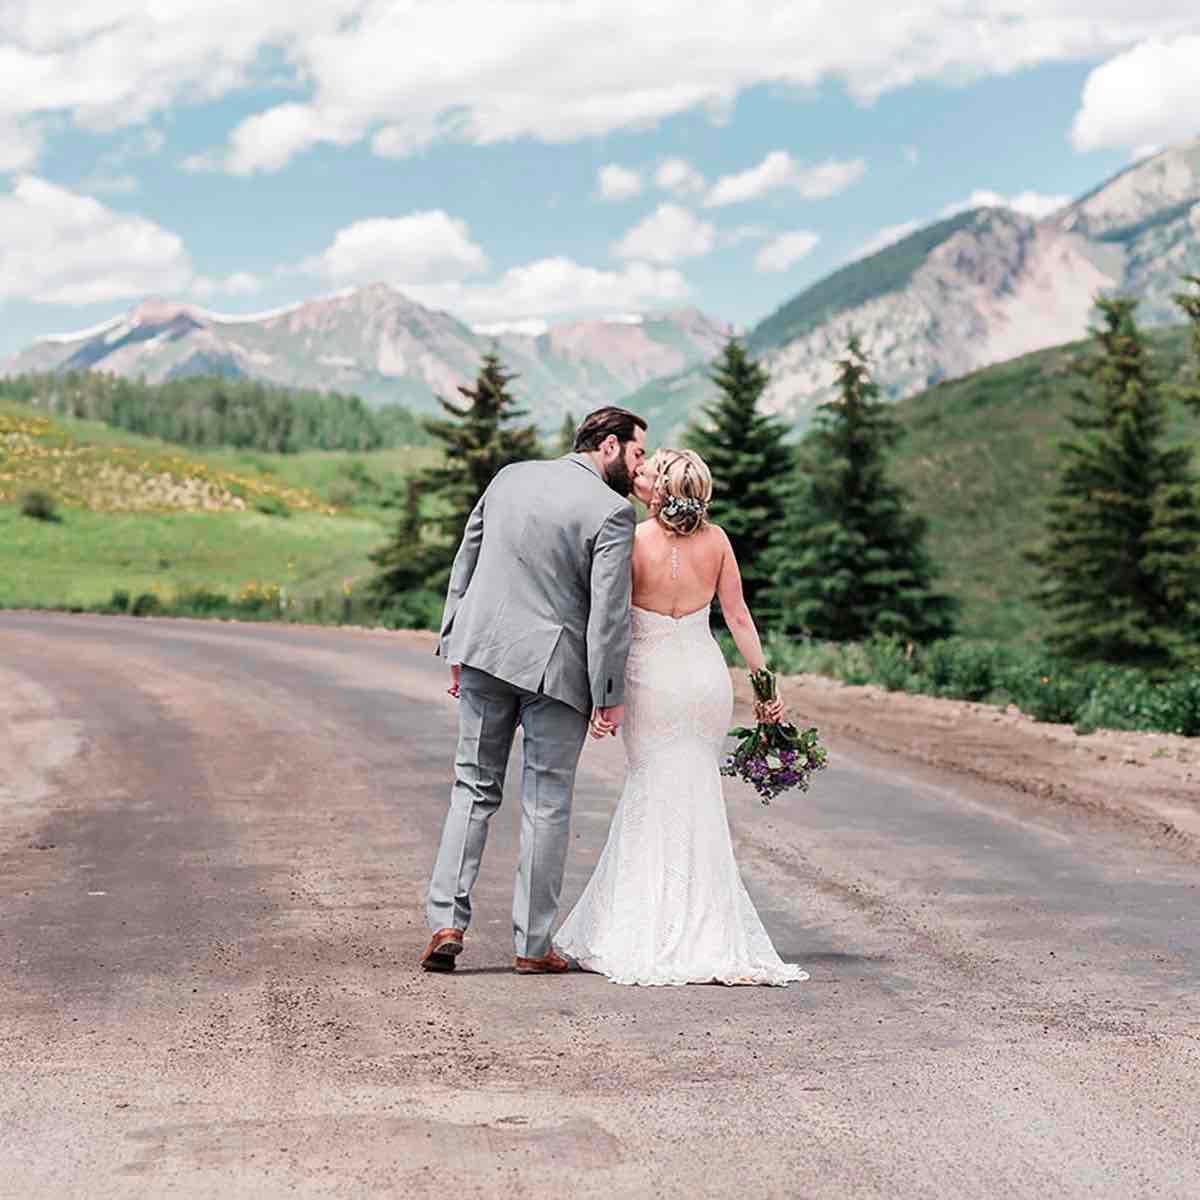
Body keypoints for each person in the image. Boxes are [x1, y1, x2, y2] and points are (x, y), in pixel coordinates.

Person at [554, 448, 808, 986]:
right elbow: (738, 617)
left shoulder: (633, 541)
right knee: (697, 792)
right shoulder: (717, 543)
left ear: (660, 493)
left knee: (652, 788)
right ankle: (707, 926)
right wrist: (766, 687)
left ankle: (646, 922)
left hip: (652, 680)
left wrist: (604, 694)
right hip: (703, 680)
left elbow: (613, 622)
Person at [420, 406, 647, 975]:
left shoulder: (509, 476)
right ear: (610, 447)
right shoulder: (612, 512)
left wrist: (454, 643)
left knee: (471, 787)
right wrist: (610, 692)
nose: (639, 466)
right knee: (546, 804)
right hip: (554, 673)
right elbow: (608, 617)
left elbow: (465, 561)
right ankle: (532, 945)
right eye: (638, 452)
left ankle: (447, 922)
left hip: (484, 652)